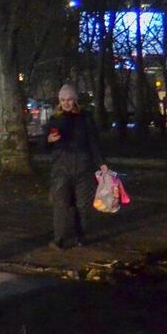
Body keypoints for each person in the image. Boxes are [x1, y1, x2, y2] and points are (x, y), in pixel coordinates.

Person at [44, 84, 108, 248]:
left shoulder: (85, 118)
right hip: (61, 169)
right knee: (61, 205)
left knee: (83, 205)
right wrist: (49, 140)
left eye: (70, 99)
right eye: (63, 100)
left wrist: (101, 163)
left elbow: (94, 142)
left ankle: (81, 235)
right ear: (59, 101)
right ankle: (59, 239)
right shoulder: (55, 119)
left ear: (75, 100)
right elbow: (43, 144)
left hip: (83, 168)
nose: (66, 103)